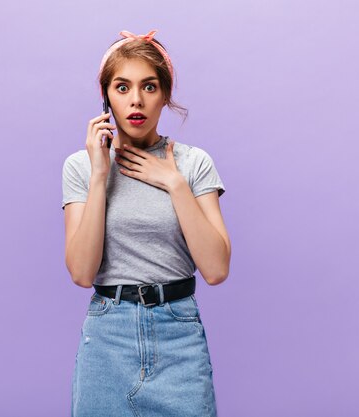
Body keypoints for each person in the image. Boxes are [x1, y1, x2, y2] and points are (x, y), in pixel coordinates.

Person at [61, 29, 231, 417]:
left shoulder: (193, 163)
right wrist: (99, 176)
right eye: (122, 87)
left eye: (149, 87)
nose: (136, 99)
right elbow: (82, 273)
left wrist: (174, 183)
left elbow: (217, 269)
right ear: (106, 97)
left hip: (179, 335)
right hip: (108, 338)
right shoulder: (80, 167)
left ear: (165, 95)